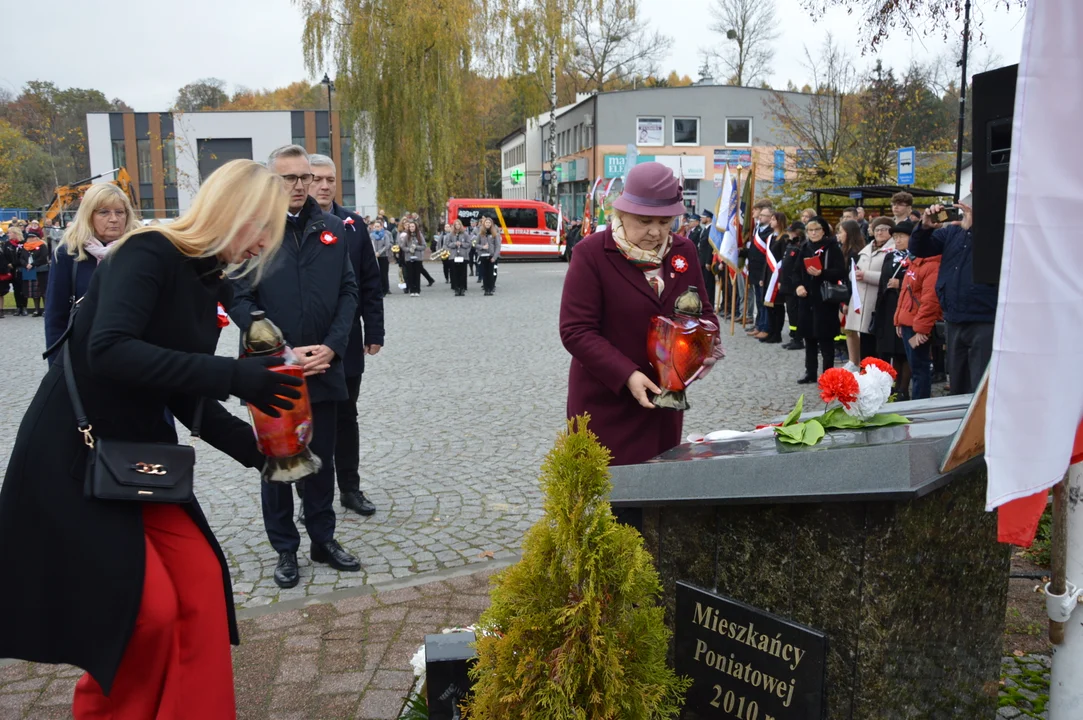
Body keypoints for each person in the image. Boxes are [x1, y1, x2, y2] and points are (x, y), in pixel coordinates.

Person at [0, 158, 303, 717]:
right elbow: (110, 351)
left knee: (203, 587)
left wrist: (263, 452)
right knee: (147, 611)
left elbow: (176, 386)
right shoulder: (149, 252)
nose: (265, 243)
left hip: (139, 458)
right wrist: (237, 377)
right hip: (76, 456)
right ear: (230, 211)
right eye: (262, 226)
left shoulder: (202, 278)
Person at [560, 162, 723, 527]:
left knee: (657, 504)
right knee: (615, 510)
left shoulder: (683, 253)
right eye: (645, 222)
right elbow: (576, 330)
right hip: (607, 404)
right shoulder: (591, 254)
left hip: (664, 405)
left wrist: (706, 344)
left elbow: (706, 313)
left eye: (665, 222)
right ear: (622, 211)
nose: (656, 232)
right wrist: (628, 374)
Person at [229, 145, 361, 589]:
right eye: (290, 178)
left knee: (321, 461)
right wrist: (283, 349)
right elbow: (239, 300)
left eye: (305, 177)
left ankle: (323, 539)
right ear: (271, 181)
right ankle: (284, 548)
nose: (301, 185)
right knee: (279, 461)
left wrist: (332, 347)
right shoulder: (254, 231)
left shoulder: (333, 230)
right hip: (274, 373)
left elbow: (349, 293)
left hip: (324, 367)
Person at [308, 153, 384, 518]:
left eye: (330, 180)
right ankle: (311, 497)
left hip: (347, 340)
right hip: (306, 343)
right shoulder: (291, 225)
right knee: (309, 421)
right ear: (304, 182)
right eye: (317, 179)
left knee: (346, 416)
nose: (324, 186)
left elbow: (370, 282)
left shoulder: (353, 224)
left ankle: (350, 488)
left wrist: (375, 331)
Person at [45, 184, 140, 355]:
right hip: (83, 357)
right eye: (104, 212)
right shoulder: (69, 254)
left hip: (133, 356)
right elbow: (55, 317)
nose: (113, 219)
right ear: (89, 215)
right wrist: (58, 368)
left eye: (120, 212)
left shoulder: (139, 251)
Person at [910, 201, 995, 395]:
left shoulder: (996, 230)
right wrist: (924, 227)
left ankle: (979, 424)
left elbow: (997, 252)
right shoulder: (952, 232)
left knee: (980, 386)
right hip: (954, 317)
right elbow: (919, 249)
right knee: (958, 383)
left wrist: (975, 228)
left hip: (984, 318)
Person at [794, 216, 846, 383]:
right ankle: (810, 372)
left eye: (817, 230)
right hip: (807, 299)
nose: (813, 233)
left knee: (825, 339)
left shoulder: (832, 248)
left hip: (825, 299)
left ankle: (828, 374)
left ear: (823, 231)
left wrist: (822, 273)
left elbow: (840, 271)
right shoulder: (804, 247)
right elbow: (795, 271)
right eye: (810, 230)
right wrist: (798, 286)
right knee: (809, 338)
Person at [894, 236, 942, 400]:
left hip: (918, 324)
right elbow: (905, 294)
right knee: (916, 367)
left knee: (920, 370)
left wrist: (921, 329)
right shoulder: (915, 262)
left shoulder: (932, 265)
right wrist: (898, 319)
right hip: (908, 322)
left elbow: (930, 299)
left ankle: (919, 405)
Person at [845, 217, 895, 367]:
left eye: (884, 229)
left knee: (877, 344)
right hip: (861, 301)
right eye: (877, 229)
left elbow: (890, 277)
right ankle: (864, 372)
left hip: (878, 302)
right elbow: (854, 272)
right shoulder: (866, 249)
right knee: (865, 341)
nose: (879, 232)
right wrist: (854, 274)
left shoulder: (893, 250)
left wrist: (866, 276)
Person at [836, 218, 871, 370]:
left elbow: (851, 279)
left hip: (852, 295)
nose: (839, 235)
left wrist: (846, 301)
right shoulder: (844, 249)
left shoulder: (854, 252)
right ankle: (853, 360)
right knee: (848, 328)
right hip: (847, 293)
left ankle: (855, 360)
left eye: (841, 232)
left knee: (851, 328)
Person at [761, 211, 789, 344]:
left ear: (779, 221)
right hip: (768, 275)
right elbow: (766, 260)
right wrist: (763, 276)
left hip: (778, 276)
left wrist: (782, 279)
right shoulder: (770, 237)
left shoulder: (784, 238)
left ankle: (777, 333)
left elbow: (784, 260)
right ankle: (771, 331)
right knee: (768, 306)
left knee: (777, 306)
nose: (771, 221)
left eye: (773, 219)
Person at [747, 201, 774, 338]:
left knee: (764, 300)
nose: (760, 217)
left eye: (764, 215)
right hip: (754, 270)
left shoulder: (770, 232)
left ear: (770, 217)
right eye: (761, 215)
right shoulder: (758, 229)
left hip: (763, 272)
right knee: (758, 300)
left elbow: (766, 254)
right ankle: (759, 325)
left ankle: (765, 327)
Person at [779, 221, 805, 350]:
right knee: (791, 312)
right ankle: (794, 336)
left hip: (794, 286)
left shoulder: (800, 246)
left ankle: (798, 338)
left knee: (796, 313)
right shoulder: (790, 245)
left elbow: (796, 267)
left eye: (791, 232)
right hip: (787, 285)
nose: (789, 234)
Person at [17, 229, 50, 317]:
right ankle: (37, 309)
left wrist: (32, 264)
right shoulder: (25, 247)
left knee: (42, 290)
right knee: (34, 292)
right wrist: (26, 264)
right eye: (29, 237)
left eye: (33, 237)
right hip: (29, 271)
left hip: (40, 270)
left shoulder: (42, 246)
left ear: (37, 238)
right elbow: (21, 258)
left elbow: (43, 257)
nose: (31, 239)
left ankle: (46, 310)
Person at [475, 216, 501, 296]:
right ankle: (486, 289)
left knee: (490, 273)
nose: (488, 224)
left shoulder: (495, 234)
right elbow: (476, 244)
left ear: (491, 224)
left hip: (491, 256)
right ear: (484, 224)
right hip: (483, 256)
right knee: (484, 274)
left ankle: (490, 288)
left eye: (489, 223)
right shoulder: (480, 234)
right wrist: (482, 247)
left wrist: (494, 257)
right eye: (486, 222)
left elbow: (498, 246)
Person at [445, 219, 472, 296]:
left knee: (463, 273)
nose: (457, 226)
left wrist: (462, 244)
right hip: (453, 256)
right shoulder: (451, 234)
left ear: (461, 225)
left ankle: (462, 288)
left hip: (463, 256)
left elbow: (469, 244)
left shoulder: (465, 234)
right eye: (456, 225)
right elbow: (447, 243)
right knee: (454, 273)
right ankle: (456, 288)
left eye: (458, 224)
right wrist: (454, 244)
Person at [401, 220, 427, 296]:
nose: (411, 228)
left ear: (415, 227)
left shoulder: (420, 235)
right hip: (409, 258)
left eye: (413, 226)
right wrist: (409, 249)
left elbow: (424, 246)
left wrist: (416, 247)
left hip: (417, 258)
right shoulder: (406, 236)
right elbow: (403, 246)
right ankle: (412, 290)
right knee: (410, 274)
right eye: (410, 227)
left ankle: (417, 290)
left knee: (417, 274)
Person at [4, 228, 25, 317]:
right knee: (16, 289)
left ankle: (24, 307)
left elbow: (24, 256)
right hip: (11, 269)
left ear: (15, 233)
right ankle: (18, 307)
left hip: (21, 268)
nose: (8, 234)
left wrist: (15, 263)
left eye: (10, 233)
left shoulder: (22, 243)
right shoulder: (7, 244)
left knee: (22, 288)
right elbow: (4, 255)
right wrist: (8, 264)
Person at [371, 221, 392, 296]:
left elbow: (387, 245)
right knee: (376, 273)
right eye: (375, 226)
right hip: (374, 256)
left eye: (378, 226)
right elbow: (370, 245)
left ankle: (385, 289)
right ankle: (377, 289)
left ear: (381, 227)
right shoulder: (371, 235)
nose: (376, 228)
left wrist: (379, 252)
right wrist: (374, 252)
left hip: (383, 256)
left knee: (384, 274)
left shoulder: (385, 235)